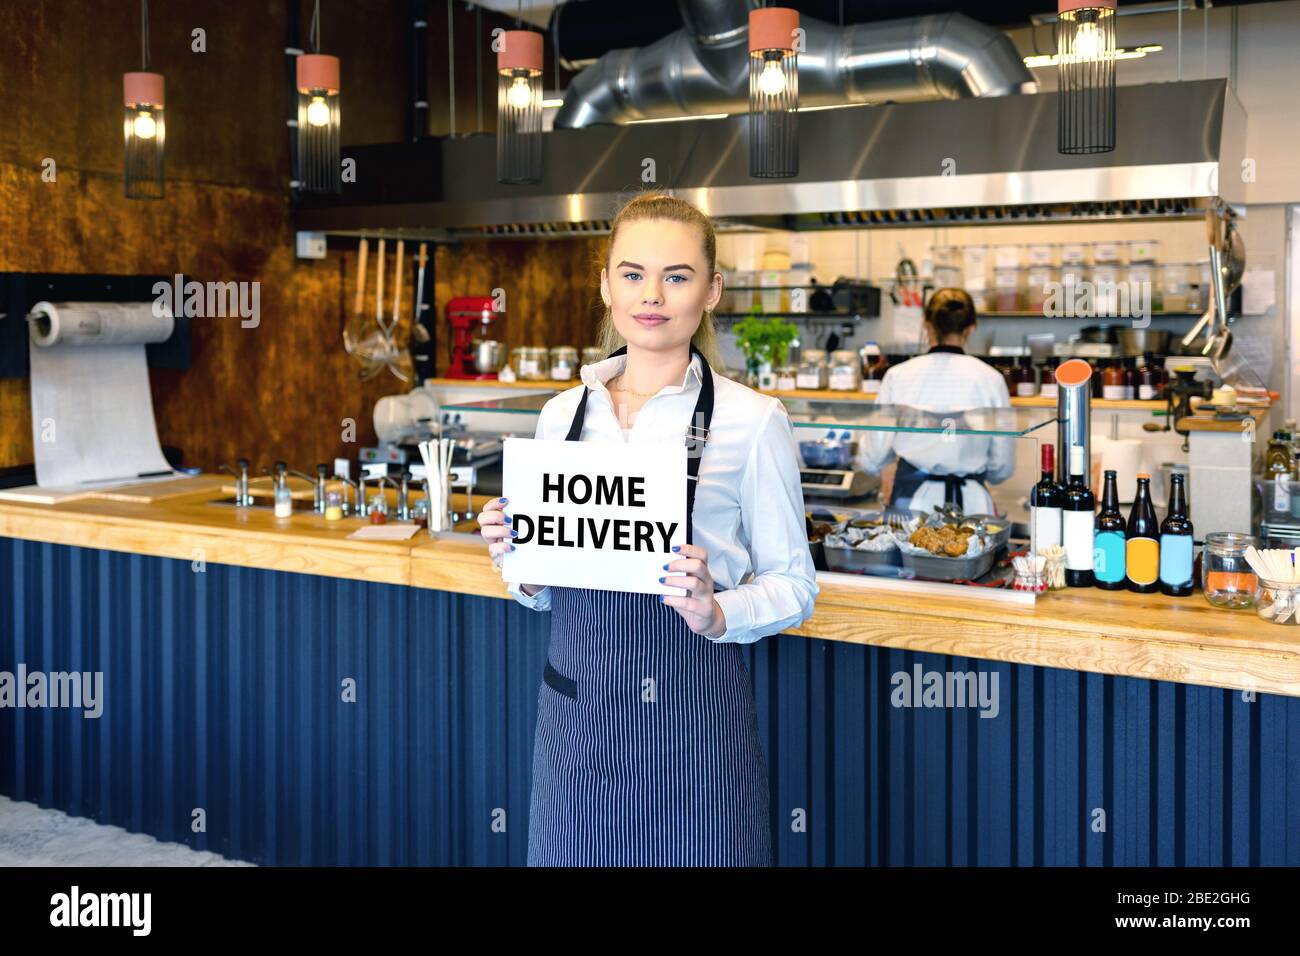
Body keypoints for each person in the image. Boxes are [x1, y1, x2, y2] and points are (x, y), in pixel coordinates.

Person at [476, 191, 818, 867]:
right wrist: (522, 562)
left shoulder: (753, 420)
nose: (651, 294)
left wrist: (719, 609)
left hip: (697, 722)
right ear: (606, 285)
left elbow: (795, 585)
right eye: (632, 273)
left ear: (712, 290)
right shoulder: (561, 416)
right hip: (579, 717)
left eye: (677, 275)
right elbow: (538, 588)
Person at [857, 288, 1015, 515]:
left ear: (926, 324)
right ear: (971, 329)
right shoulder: (992, 379)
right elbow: (1002, 466)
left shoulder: (898, 375)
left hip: (910, 506)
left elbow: (873, 456)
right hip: (973, 508)